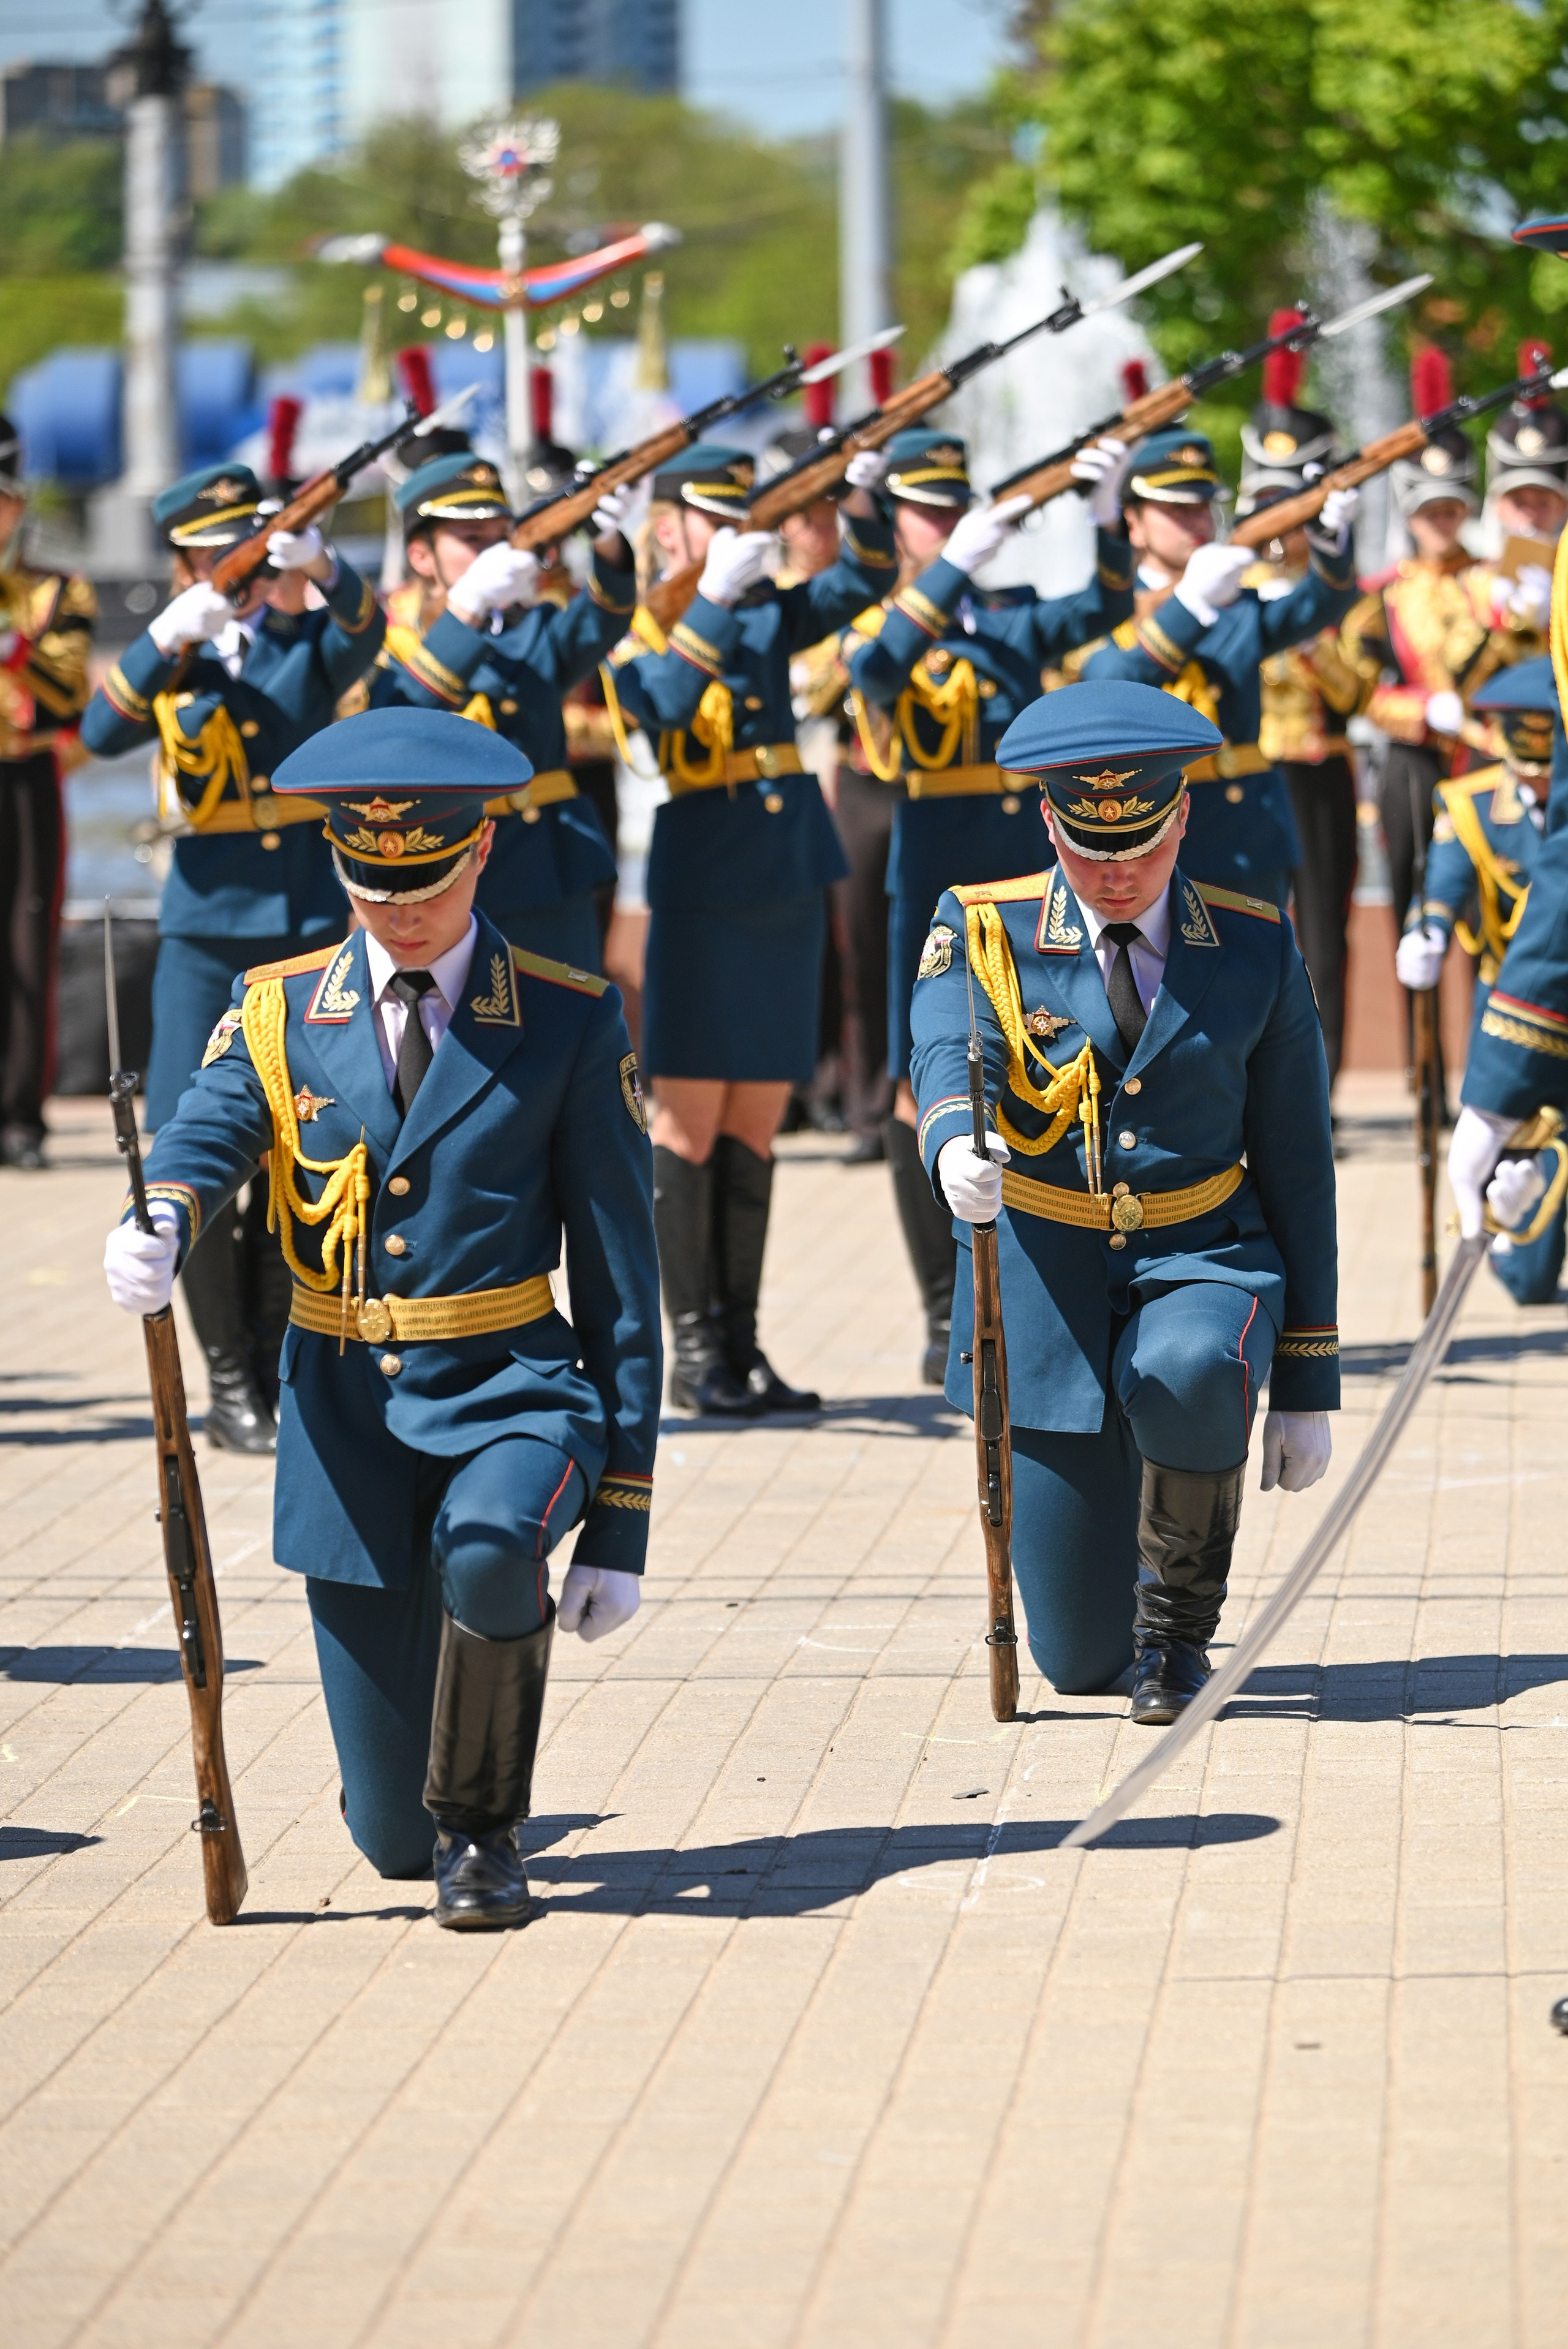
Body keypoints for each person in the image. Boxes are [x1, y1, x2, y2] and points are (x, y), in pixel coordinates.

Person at [100, 707, 661, 1928]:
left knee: (492, 1546)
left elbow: (622, 1278)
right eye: (372, 884)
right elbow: (210, 1124)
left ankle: (488, 1835)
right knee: (390, 1843)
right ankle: (433, 1817)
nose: (401, 912)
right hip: (346, 1423)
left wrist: (621, 1518)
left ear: (482, 851)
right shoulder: (278, 1009)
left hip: (509, 1388)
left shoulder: (567, 1016)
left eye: (429, 880)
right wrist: (165, 1214)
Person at [909, 679, 1339, 1717]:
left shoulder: (1252, 942)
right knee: (1077, 1660)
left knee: (1190, 1369)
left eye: (1140, 847)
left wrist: (1309, 1376)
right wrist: (954, 1137)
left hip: (1201, 1253)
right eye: (1090, 848)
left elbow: (1298, 1163)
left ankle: (1178, 1636)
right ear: (1049, 822)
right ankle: (1127, 1610)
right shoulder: (985, 926)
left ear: (1181, 818)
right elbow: (944, 1044)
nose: (1116, 873)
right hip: (1048, 1289)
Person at [80, 462, 386, 1454]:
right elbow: (100, 730)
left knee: (299, 1143)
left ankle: (271, 1356)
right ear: (185, 560)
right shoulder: (174, 655)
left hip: (303, 925)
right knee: (193, 1144)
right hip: (208, 931)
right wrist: (163, 641)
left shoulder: (302, 643)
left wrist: (326, 568)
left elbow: (367, 635)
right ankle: (225, 1380)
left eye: (250, 550)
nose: (241, 570)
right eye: (221, 553)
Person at [602, 441, 898, 1417]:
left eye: (745, 518)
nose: (738, 535)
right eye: (715, 518)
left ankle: (742, 1341)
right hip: (704, 878)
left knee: (756, 1122)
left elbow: (864, 579)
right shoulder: (642, 621)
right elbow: (661, 711)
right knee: (690, 1119)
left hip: (785, 873)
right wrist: (716, 599)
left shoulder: (767, 604)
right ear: (669, 528)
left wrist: (859, 498)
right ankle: (692, 1350)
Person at [843, 426, 1134, 1383]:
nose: (945, 524)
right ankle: (943, 1306)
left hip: (1019, 865)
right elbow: (874, 672)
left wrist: (1106, 518)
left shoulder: (1006, 613)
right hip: (934, 862)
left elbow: (1104, 608)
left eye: (953, 510)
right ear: (897, 523)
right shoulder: (883, 617)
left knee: (1037, 1053)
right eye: (927, 512)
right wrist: (945, 573)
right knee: (920, 1078)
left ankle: (1024, 1284)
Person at [373, 448, 635, 974]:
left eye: (500, 537)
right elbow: (397, 725)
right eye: (472, 540)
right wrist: (466, 608)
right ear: (422, 556)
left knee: (567, 1016)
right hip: (444, 875)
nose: (492, 551)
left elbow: (604, 618)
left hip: (547, 869)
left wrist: (605, 539)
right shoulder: (395, 642)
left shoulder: (531, 628)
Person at [1082, 426, 1362, 915]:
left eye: (1203, 506)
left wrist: (1330, 543)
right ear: (1134, 522)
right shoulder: (1107, 606)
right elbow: (1105, 685)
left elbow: (1320, 603)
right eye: (1176, 509)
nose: (1195, 521)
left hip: (1247, 834)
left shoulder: (1236, 605)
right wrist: (1189, 606)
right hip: (1145, 839)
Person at [1399, 658, 1566, 1301]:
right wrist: (1428, 931)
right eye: (1529, 771)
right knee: (1528, 1273)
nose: (1542, 786)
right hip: (1513, 1010)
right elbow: (1443, 883)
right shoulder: (1469, 803)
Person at [1236, 347, 1369, 1091]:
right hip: (1251, 772)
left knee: (1321, 932)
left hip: (1318, 773)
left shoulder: (1340, 593)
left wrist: (1310, 638)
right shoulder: (1229, 584)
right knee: (1242, 926)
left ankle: (1320, 1086)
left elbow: (1357, 693)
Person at [0, 412, 96, 1168]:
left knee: (28, 938)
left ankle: (19, 1115)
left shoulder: (56, 591)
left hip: (23, 776)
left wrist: (15, 648)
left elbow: (68, 694)